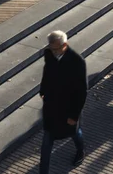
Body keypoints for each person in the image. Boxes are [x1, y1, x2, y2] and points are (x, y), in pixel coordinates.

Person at [39, 31, 88, 172]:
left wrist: (74, 116)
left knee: (75, 132)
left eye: (55, 49)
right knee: (46, 142)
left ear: (64, 45)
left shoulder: (77, 61)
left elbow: (81, 92)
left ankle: (81, 150)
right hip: (51, 107)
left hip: (68, 108)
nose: (52, 51)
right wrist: (43, 91)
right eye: (51, 48)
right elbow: (46, 72)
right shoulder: (49, 53)